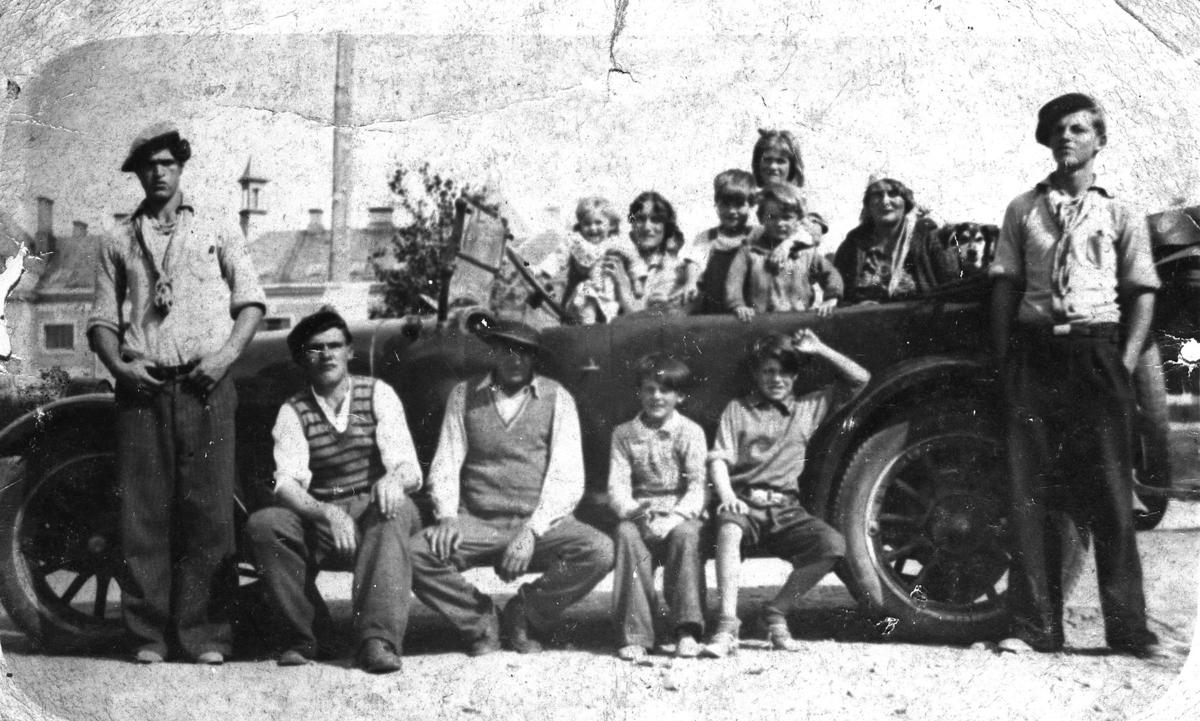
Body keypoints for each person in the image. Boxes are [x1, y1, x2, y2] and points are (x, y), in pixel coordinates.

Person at [990, 93, 1168, 659]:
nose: (1067, 137)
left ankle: (1129, 630)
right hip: (1037, 356)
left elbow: (1142, 292)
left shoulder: (1119, 213)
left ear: (1099, 141)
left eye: (1080, 129)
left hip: (1098, 356)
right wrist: (1005, 358)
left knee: (1112, 497)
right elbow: (1004, 285)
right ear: (1046, 140)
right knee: (1031, 495)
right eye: (1058, 130)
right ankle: (1034, 628)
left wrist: (1124, 357)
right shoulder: (1023, 210)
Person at [87, 122, 266, 664]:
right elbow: (99, 321)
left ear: (181, 166)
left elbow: (251, 301)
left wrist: (225, 356)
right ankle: (148, 636)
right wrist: (120, 369)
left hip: (206, 384)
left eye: (168, 163)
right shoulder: (117, 241)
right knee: (144, 515)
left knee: (210, 514)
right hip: (142, 388)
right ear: (137, 173)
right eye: (149, 165)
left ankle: (207, 635)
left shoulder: (216, 225)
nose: (159, 173)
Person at [410, 320, 614, 654]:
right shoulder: (464, 394)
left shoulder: (556, 397)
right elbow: (445, 462)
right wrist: (447, 517)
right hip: (476, 519)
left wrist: (531, 532)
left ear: (534, 357)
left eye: (524, 352)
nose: (515, 359)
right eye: (506, 350)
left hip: (538, 521)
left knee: (600, 551)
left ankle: (525, 614)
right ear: (493, 352)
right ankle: (480, 619)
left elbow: (568, 476)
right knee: (416, 554)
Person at [244, 308, 423, 673]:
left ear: (349, 352)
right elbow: (286, 484)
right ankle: (308, 635)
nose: (326, 355)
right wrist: (327, 512)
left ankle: (377, 640)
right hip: (325, 514)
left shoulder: (378, 394)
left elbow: (408, 466)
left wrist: (392, 480)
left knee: (395, 509)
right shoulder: (293, 410)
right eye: (315, 349)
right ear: (301, 359)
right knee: (265, 525)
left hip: (375, 506)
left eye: (334, 345)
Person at [702, 329, 870, 658]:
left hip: (785, 509)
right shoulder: (738, 409)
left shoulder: (808, 407)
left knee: (832, 545)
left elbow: (860, 380)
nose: (776, 379)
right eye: (768, 371)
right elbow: (719, 458)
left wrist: (820, 348)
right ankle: (726, 625)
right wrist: (727, 495)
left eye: (784, 372)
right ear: (756, 374)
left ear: (795, 376)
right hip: (744, 502)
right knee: (728, 527)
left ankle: (775, 612)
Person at [608, 353, 708, 661]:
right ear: (640, 392)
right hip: (643, 512)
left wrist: (675, 517)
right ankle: (636, 633)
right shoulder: (624, 434)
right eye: (650, 389)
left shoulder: (690, 432)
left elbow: (697, 486)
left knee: (687, 537)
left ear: (679, 396)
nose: (656, 397)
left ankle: (687, 629)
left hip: (680, 512)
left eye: (665, 391)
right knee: (626, 534)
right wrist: (633, 511)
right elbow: (617, 486)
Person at [725, 182, 842, 321]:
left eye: (786, 217)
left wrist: (831, 298)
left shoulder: (806, 253)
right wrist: (738, 305)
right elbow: (733, 281)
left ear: (798, 219)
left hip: (798, 323)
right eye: (772, 217)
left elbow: (831, 274)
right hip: (761, 324)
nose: (780, 223)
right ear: (761, 217)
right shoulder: (749, 252)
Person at [535, 197, 644, 324]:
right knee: (585, 295)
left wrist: (637, 281)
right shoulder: (578, 243)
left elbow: (634, 260)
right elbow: (559, 257)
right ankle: (587, 327)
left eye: (598, 223)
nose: (593, 228)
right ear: (580, 225)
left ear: (611, 224)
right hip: (585, 293)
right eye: (587, 224)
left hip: (608, 296)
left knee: (610, 316)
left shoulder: (615, 243)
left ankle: (595, 330)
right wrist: (544, 273)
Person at [833, 177, 941, 304]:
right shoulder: (852, 244)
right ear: (868, 205)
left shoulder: (927, 238)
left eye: (893, 194)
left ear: (906, 202)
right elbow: (838, 296)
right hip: (865, 321)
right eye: (877, 195)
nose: (885, 201)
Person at [681, 170, 757, 314]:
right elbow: (695, 262)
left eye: (739, 205)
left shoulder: (756, 235)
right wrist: (690, 282)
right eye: (726, 205)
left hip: (749, 311)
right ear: (717, 203)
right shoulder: (707, 237)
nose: (732, 211)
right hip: (715, 313)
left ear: (751, 205)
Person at [612, 191, 688, 316]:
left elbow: (644, 320)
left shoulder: (678, 270)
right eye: (640, 219)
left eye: (656, 220)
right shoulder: (619, 262)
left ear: (666, 227)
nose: (647, 227)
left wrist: (622, 284)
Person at [750, 129, 829, 245]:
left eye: (780, 161)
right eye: (767, 160)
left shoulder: (801, 200)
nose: (772, 166)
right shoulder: (750, 200)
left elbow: (812, 234)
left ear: (792, 167)